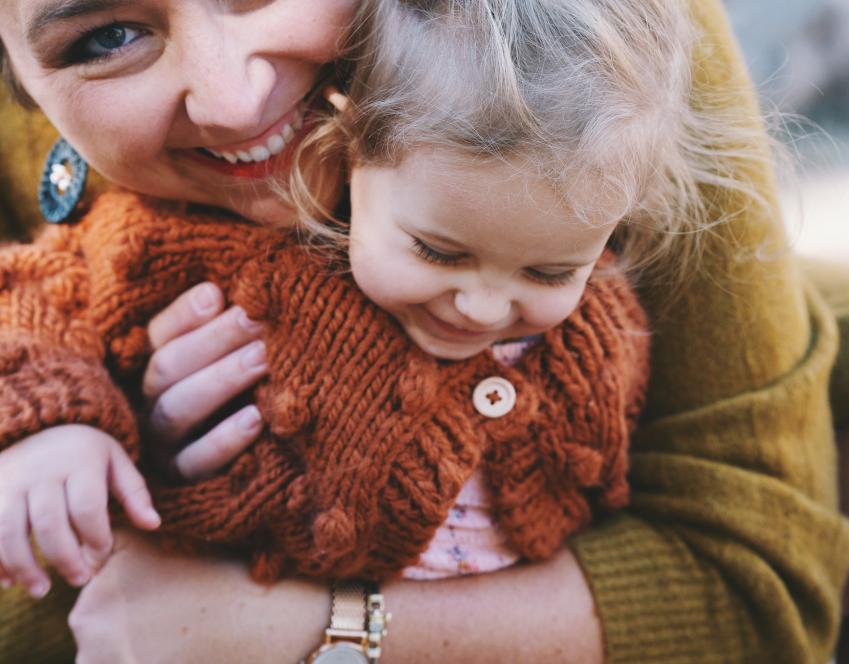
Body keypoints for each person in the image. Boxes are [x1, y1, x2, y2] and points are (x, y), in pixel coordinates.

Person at [0, 2, 849, 664]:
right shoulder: (112, 256)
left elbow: (753, 586)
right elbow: (37, 331)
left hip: (697, 437)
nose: (230, 96)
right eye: (104, 36)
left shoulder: (595, 41)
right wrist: (95, 447)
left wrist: (315, 631)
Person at [0, 0, 663, 588]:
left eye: (548, 274)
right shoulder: (149, 245)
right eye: (108, 35)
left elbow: (727, 544)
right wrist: (58, 427)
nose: (232, 101)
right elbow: (31, 301)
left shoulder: (548, 146)